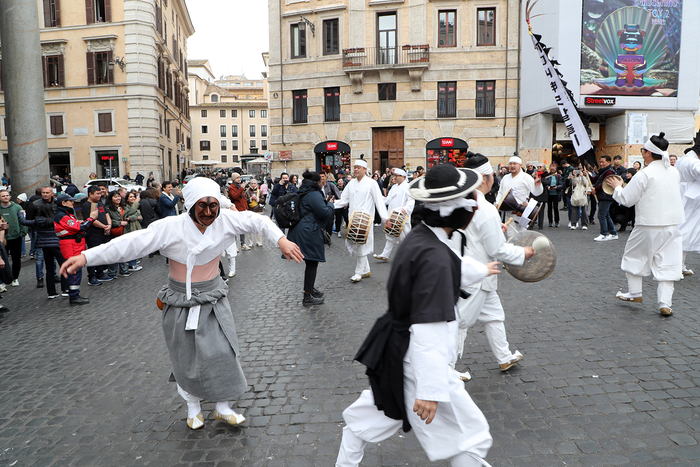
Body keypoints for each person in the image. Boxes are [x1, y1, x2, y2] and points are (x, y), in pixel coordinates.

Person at [60, 177, 303, 430]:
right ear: (189, 206)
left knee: (223, 352)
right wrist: (87, 256)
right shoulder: (170, 227)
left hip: (213, 297)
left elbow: (258, 220)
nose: (208, 213)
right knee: (186, 357)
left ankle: (222, 406)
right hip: (180, 301)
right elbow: (130, 244)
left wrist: (281, 240)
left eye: (213, 206)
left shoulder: (226, 220)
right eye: (202, 206)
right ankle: (193, 408)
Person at [335, 164, 498, 467]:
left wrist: (482, 269)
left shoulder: (423, 237)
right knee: (470, 438)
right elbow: (429, 329)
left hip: (398, 349)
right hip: (416, 359)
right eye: (471, 201)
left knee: (372, 415)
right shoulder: (433, 254)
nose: (475, 206)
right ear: (458, 211)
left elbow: (451, 264)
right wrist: (430, 390)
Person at [454, 155, 535, 376]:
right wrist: (523, 252)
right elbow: (498, 250)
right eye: (490, 175)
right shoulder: (485, 207)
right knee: (459, 322)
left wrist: (492, 230)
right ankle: (445, 370)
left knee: (494, 315)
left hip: (477, 273)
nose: (493, 179)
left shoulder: (463, 200)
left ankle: (504, 356)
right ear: (483, 178)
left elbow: (472, 234)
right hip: (475, 274)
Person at [606, 133, 685, 316]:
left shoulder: (645, 174)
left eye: (643, 150)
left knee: (633, 256)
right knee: (668, 263)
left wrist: (618, 186)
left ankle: (635, 293)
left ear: (648, 153)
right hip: (672, 225)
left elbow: (626, 200)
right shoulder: (674, 171)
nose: (642, 152)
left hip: (648, 224)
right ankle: (665, 303)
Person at [333, 157, 389, 282]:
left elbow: (379, 202)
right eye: (355, 167)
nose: (356, 170)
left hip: (365, 220)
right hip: (353, 220)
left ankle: (358, 272)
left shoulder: (372, 183)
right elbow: (344, 200)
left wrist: (385, 218)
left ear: (365, 169)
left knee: (361, 245)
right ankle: (366, 270)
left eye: (358, 168)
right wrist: (331, 205)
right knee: (357, 244)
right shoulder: (351, 183)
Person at [287, 171, 334, 306]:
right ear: (317, 182)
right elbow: (325, 213)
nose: (322, 182)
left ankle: (310, 289)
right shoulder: (313, 194)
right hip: (308, 232)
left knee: (310, 262)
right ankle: (308, 296)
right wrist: (330, 204)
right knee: (312, 261)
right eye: (320, 181)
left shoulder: (304, 191)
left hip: (302, 229)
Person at [19, 186, 69, 295]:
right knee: (57, 263)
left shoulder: (54, 206)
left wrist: (20, 213)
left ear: (52, 193)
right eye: (43, 192)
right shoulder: (36, 206)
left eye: (47, 192)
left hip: (45, 238)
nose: (45, 194)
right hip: (52, 239)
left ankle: (51, 291)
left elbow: (26, 221)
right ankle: (63, 289)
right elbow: (29, 219)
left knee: (49, 265)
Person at [55, 194, 98, 305]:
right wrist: (91, 218)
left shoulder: (66, 214)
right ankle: (73, 297)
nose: (73, 203)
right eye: (70, 201)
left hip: (73, 245)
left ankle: (75, 295)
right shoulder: (63, 216)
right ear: (63, 203)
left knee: (76, 271)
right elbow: (80, 227)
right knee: (75, 271)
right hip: (70, 246)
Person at [374, 168, 414, 262]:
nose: (394, 178)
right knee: (390, 235)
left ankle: (411, 256)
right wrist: (378, 200)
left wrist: (406, 209)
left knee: (405, 238)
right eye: (394, 176)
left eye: (397, 176)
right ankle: (385, 254)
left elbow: (411, 200)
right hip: (392, 216)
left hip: (402, 216)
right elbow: (388, 199)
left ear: (403, 177)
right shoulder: (394, 187)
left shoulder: (408, 187)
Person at [675, 131, 700, 276]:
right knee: (683, 234)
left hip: (687, 199)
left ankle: (680, 264)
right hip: (689, 201)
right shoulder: (693, 162)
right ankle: (676, 266)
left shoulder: (684, 159)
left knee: (686, 233)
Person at [495, 155, 543, 221]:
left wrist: (538, 186)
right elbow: (500, 192)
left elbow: (536, 192)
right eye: (510, 164)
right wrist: (497, 202)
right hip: (507, 211)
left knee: (520, 230)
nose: (512, 166)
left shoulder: (526, 177)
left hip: (520, 211)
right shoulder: (505, 178)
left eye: (515, 164)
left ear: (520, 165)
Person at [81, 186, 113, 285]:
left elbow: (106, 214)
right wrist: (104, 226)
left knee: (101, 254)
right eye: (97, 193)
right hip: (93, 234)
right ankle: (91, 276)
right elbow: (91, 220)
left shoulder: (99, 203)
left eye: (100, 193)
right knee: (93, 255)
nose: (100, 195)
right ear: (90, 194)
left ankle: (100, 273)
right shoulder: (87, 205)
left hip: (103, 233)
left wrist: (109, 225)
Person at [0, 188, 28, 287]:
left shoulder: (17, 207)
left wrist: (22, 233)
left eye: (7, 195)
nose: (5, 197)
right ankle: (3, 280)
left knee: (16, 259)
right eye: (3, 196)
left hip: (16, 237)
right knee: (2, 259)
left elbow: (23, 220)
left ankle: (15, 277)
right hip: (3, 239)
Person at [589, 155, 618, 242]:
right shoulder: (602, 171)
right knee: (606, 214)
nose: (601, 164)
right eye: (600, 162)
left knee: (601, 215)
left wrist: (596, 189)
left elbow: (606, 183)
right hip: (603, 196)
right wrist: (587, 175)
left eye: (603, 162)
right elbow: (594, 180)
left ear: (609, 162)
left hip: (606, 196)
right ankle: (613, 233)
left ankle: (603, 234)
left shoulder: (609, 172)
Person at [106, 191, 131, 278]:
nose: (118, 198)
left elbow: (134, 213)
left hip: (124, 232)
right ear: (111, 198)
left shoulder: (125, 206)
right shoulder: (108, 208)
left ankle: (123, 270)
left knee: (123, 252)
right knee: (114, 253)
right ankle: (112, 272)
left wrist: (130, 218)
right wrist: (119, 222)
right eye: (115, 197)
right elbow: (108, 220)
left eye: (119, 196)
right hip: (115, 233)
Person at [228, 173, 249, 249]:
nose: (239, 179)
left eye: (239, 178)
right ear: (233, 179)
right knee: (235, 227)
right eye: (237, 178)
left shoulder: (240, 187)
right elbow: (235, 196)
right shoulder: (231, 187)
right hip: (236, 210)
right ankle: (234, 245)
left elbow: (243, 199)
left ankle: (243, 244)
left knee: (242, 227)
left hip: (243, 209)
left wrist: (246, 207)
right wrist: (241, 189)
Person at [125, 192, 143, 272]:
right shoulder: (127, 207)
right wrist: (135, 217)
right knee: (131, 246)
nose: (133, 198)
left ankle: (133, 262)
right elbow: (129, 216)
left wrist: (138, 217)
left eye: (134, 197)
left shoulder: (136, 206)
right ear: (127, 198)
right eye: (131, 197)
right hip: (130, 229)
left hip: (137, 227)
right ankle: (131, 265)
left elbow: (140, 217)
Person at [244, 179, 264, 247]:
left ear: (256, 184)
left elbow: (263, 201)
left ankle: (259, 241)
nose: (253, 185)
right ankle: (250, 242)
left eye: (254, 183)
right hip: (250, 210)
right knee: (250, 227)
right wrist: (250, 199)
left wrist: (257, 199)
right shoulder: (247, 192)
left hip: (258, 210)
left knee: (258, 227)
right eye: (252, 183)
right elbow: (245, 201)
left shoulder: (260, 191)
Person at [545, 163, 563, 227]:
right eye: (551, 168)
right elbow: (545, 183)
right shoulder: (547, 175)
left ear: (556, 168)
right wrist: (548, 187)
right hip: (549, 194)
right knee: (549, 208)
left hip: (556, 193)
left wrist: (556, 187)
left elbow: (561, 185)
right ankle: (550, 221)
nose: (552, 169)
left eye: (554, 168)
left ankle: (557, 221)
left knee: (555, 208)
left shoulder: (558, 176)